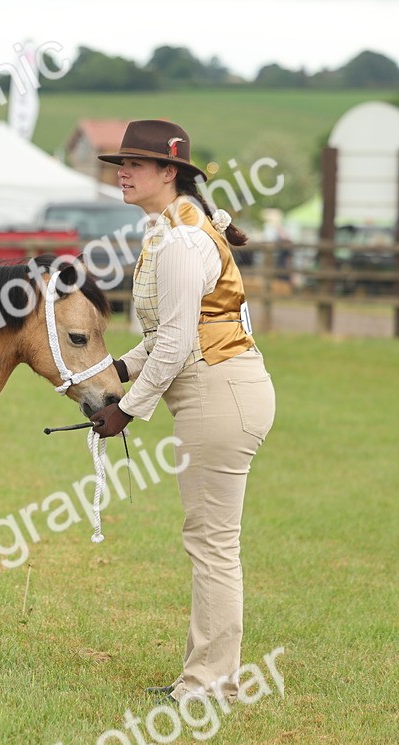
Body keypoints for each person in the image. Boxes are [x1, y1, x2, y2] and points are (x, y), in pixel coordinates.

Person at [88, 120, 276, 705]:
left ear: (169, 173)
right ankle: (208, 674)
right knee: (210, 540)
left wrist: (128, 409)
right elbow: (167, 334)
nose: (123, 172)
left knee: (213, 543)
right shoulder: (172, 232)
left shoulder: (183, 241)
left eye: (136, 165)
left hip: (218, 394)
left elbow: (174, 343)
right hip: (214, 391)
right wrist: (116, 371)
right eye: (121, 163)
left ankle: (210, 683)